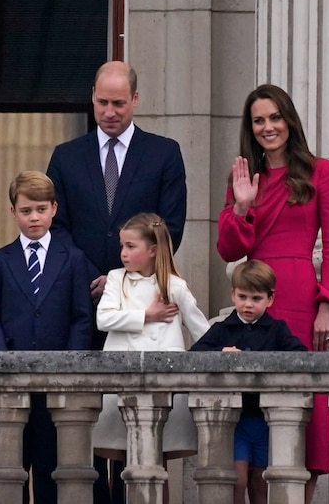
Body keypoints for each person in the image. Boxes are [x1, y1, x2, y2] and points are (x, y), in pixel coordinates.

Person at [46, 60, 187, 503]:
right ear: (92, 98)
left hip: (144, 309)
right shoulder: (66, 156)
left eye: (119, 103)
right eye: (103, 103)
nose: (110, 112)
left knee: (140, 419)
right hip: (83, 304)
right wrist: (95, 277)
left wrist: (124, 274)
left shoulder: (163, 153)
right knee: (90, 419)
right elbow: (57, 228)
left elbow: (171, 226)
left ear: (136, 101)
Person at [217, 84, 329, 503]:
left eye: (275, 117)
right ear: (250, 127)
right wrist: (241, 206)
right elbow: (229, 250)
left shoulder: (321, 170)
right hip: (253, 297)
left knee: (305, 412)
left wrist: (328, 304)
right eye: (259, 120)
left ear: (288, 120)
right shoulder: (243, 177)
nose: (268, 127)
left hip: (298, 296)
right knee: (257, 407)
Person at [0, 171, 93, 504]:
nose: (34, 217)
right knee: (12, 469)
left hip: (57, 385)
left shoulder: (72, 259)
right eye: (26, 211)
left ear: (54, 209)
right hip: (13, 383)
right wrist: (4, 360)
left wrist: (69, 364)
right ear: (13, 212)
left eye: (41, 209)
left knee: (51, 469)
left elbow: (81, 317)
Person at [92, 213, 209, 503]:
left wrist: (226, 351)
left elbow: (202, 330)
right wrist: (147, 315)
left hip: (162, 382)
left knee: (157, 460)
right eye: (122, 246)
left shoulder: (174, 286)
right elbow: (103, 319)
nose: (123, 253)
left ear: (153, 249)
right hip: (120, 377)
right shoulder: (116, 279)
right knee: (119, 456)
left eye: (131, 246)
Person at [191, 260, 307, 504]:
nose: (248, 304)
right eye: (242, 296)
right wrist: (221, 351)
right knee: (237, 479)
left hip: (267, 419)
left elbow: (300, 355)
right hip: (237, 419)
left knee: (261, 481)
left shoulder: (277, 329)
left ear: (269, 299)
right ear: (233, 295)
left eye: (256, 298)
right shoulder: (223, 328)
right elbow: (195, 353)